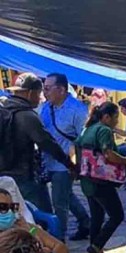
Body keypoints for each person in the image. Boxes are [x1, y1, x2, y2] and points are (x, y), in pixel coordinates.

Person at [0, 72, 75, 213]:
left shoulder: (4, 110)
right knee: (44, 216)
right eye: (39, 93)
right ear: (30, 93)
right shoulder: (27, 116)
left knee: (13, 215)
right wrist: (68, 163)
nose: (41, 97)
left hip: (3, 176)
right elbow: (47, 143)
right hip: (25, 177)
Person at [76, 102, 126, 253]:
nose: (116, 121)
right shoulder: (104, 130)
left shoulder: (88, 129)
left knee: (97, 216)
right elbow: (108, 154)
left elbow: (77, 146)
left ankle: (97, 252)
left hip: (87, 178)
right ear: (106, 117)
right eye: (115, 117)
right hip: (101, 180)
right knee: (117, 215)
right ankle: (97, 245)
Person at [40, 73, 91, 241]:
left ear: (61, 89)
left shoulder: (77, 110)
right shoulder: (46, 107)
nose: (44, 92)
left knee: (59, 202)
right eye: (44, 88)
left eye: (48, 88)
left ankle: (58, 238)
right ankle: (85, 222)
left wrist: (76, 165)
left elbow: (84, 140)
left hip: (65, 164)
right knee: (66, 195)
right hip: (49, 161)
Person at [0, 188, 68, 253]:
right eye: (3, 207)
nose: (9, 212)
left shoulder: (27, 227)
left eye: (12, 207)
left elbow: (61, 247)